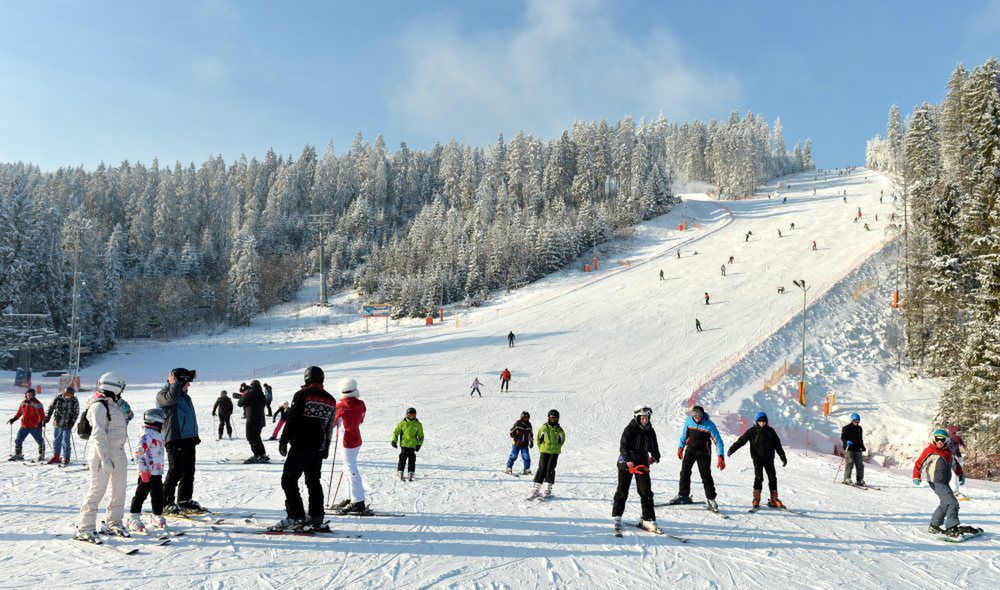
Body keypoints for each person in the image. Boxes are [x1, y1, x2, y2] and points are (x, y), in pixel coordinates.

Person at [274, 366, 337, 531]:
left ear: (307, 379)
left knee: (288, 479)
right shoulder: (330, 399)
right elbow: (329, 426)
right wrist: (326, 447)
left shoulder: (302, 394)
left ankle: (296, 516)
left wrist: (283, 440)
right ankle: (316, 516)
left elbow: (292, 419)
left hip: (302, 444)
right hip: (318, 446)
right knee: (313, 480)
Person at [75, 372, 130, 542]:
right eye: (120, 388)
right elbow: (98, 435)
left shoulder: (115, 405)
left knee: (119, 490)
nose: (121, 392)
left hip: (118, 452)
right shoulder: (99, 406)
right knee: (97, 490)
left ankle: (114, 522)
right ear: (114, 386)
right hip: (101, 454)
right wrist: (105, 458)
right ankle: (85, 527)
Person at [913, 429, 978, 539]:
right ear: (933, 439)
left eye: (942, 439)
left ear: (946, 440)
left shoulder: (948, 452)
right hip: (936, 482)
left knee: (945, 504)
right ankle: (952, 528)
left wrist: (960, 474)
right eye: (937, 439)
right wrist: (916, 476)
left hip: (944, 482)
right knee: (953, 503)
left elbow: (955, 464)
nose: (939, 441)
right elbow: (919, 463)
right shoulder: (930, 451)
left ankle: (934, 525)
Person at [158, 368, 203, 514]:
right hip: (175, 439)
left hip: (188, 438)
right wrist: (175, 383)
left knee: (189, 471)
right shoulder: (163, 394)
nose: (188, 386)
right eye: (187, 383)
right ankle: (165, 502)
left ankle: (184, 500)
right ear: (180, 381)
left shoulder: (184, 396)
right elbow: (171, 399)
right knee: (175, 471)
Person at [612, 406, 661, 534]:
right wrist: (628, 460)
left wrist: (656, 456)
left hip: (642, 462)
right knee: (622, 491)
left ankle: (647, 518)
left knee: (646, 492)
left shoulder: (650, 430)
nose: (645, 421)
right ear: (637, 418)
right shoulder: (629, 429)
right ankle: (617, 516)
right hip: (626, 463)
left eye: (647, 418)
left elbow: (654, 446)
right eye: (642, 418)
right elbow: (623, 447)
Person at [669, 405, 725, 511]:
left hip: (704, 453)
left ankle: (711, 499)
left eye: (699, 414)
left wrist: (721, 456)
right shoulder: (689, 422)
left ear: (703, 415)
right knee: (684, 472)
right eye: (694, 414)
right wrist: (680, 448)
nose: (697, 417)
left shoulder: (709, 425)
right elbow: (683, 436)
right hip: (690, 450)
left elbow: (718, 442)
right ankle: (683, 495)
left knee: (706, 475)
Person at [727, 412, 787, 509]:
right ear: (756, 421)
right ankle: (756, 498)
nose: (762, 423)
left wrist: (782, 457)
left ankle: (774, 499)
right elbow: (741, 441)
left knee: (772, 478)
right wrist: (732, 449)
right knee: (759, 477)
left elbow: (778, 445)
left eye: (764, 421)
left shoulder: (771, 431)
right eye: (760, 421)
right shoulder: (751, 431)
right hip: (757, 458)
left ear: (766, 421)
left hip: (769, 459)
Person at [126, 408, 167, 532]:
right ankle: (133, 517)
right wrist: (143, 470)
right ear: (155, 421)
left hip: (157, 471)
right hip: (147, 472)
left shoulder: (157, 432)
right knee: (141, 494)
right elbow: (138, 453)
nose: (164, 423)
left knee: (158, 495)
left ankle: (156, 515)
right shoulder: (146, 434)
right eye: (162, 421)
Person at [333, 377, 368, 514]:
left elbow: (333, 423)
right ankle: (350, 497)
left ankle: (358, 501)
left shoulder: (340, 406)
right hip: (356, 439)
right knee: (347, 468)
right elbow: (361, 420)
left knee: (350, 469)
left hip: (346, 441)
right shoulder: (361, 404)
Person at [528, 409, 565, 500]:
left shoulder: (559, 430)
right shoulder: (544, 428)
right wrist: (542, 447)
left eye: (555, 418)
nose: (553, 420)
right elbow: (538, 438)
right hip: (544, 450)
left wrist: (557, 447)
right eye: (551, 418)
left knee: (550, 468)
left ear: (557, 419)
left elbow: (562, 440)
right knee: (542, 467)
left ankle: (548, 489)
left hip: (554, 452)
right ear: (548, 418)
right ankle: (536, 488)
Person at [7, 389, 46, 461]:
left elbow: (42, 415)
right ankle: (19, 454)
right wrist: (14, 418)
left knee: (39, 441)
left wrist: (40, 423)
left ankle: (42, 454)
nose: (28, 396)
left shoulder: (37, 404)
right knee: (18, 440)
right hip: (24, 425)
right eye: (27, 395)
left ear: (34, 395)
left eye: (30, 395)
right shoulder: (23, 403)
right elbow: (20, 412)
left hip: (35, 426)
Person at [236, 380, 269, 463]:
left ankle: (256, 455)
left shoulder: (250, 393)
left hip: (252, 419)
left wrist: (244, 395)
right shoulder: (262, 395)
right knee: (257, 437)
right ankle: (262, 454)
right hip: (261, 420)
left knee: (250, 437)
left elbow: (240, 403)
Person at [46, 386, 80, 465]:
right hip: (58, 423)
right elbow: (50, 408)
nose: (68, 396)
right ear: (64, 393)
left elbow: (76, 412)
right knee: (56, 441)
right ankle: (56, 456)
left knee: (66, 441)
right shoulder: (58, 398)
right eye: (67, 394)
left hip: (67, 424)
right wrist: (47, 417)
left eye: (70, 395)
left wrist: (72, 422)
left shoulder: (74, 400)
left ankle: (66, 457)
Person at [391, 407, 424, 481]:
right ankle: (400, 470)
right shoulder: (402, 423)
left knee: (412, 459)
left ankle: (411, 472)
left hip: (412, 445)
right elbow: (396, 432)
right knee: (402, 458)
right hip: (404, 444)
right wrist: (394, 441)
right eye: (410, 415)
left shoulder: (418, 424)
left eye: (413, 415)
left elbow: (421, 435)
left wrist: (419, 444)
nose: (411, 417)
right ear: (406, 415)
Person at [841, 413, 866, 486]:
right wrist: (846, 442)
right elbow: (843, 437)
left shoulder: (859, 428)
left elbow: (860, 439)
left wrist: (863, 446)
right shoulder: (846, 428)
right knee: (850, 462)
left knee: (860, 465)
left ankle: (859, 480)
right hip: (849, 448)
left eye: (858, 421)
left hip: (857, 448)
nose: (857, 422)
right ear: (851, 420)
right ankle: (847, 478)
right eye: (855, 421)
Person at [505, 411, 533, 475]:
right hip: (517, 443)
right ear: (521, 417)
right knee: (513, 456)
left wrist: (531, 441)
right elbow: (511, 431)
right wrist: (514, 436)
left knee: (526, 457)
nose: (526, 419)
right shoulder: (518, 423)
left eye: (527, 418)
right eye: (525, 418)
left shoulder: (529, 425)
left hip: (525, 444)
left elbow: (530, 434)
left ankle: (526, 469)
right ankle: (509, 468)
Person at [946, 426, 966, 499]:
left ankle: (956, 491)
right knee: (953, 476)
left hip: (956, 460)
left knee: (956, 476)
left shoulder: (957, 441)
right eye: (958, 433)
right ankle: (954, 491)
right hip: (949, 461)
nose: (959, 435)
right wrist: (953, 455)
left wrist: (960, 457)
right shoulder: (949, 441)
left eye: (961, 433)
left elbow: (957, 450)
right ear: (953, 433)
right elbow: (948, 451)